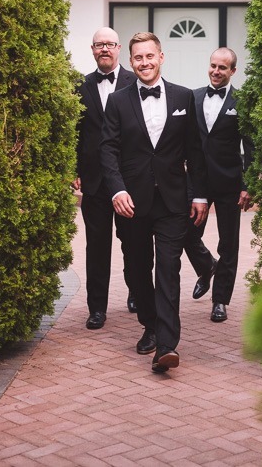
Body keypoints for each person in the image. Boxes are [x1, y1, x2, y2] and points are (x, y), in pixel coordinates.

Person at [100, 32, 209, 374]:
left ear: (162, 56)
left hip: (173, 201)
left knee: (168, 270)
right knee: (136, 269)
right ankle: (149, 323)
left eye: (150, 56)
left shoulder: (184, 97)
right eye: (138, 58)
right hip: (131, 202)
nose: (144, 63)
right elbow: (108, 150)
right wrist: (117, 190)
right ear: (130, 62)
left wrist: (199, 194)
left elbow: (195, 150)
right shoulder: (117, 101)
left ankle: (166, 346)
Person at [183, 47, 254, 323]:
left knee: (229, 243)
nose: (216, 71)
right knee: (184, 232)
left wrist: (247, 184)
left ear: (232, 71)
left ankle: (220, 300)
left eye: (222, 68)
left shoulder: (242, 101)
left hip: (229, 183)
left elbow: (250, 147)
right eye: (213, 65)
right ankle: (206, 266)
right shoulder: (194, 96)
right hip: (197, 182)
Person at [74, 27, 137, 330]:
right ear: (92, 49)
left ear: (119, 48)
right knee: (96, 247)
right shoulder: (80, 86)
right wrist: (73, 170)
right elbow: (74, 133)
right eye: (99, 45)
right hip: (94, 181)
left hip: (127, 181)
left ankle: (136, 293)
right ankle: (96, 308)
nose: (104, 49)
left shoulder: (134, 82)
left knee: (133, 242)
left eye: (109, 44)